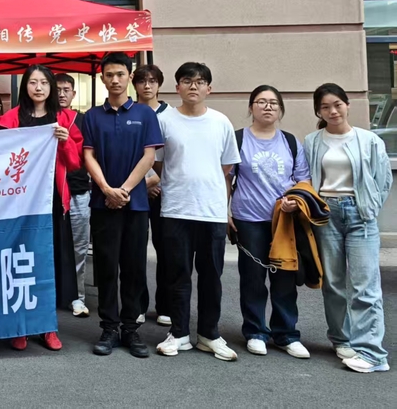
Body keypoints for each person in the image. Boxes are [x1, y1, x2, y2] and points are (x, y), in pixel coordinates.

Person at [154, 62, 240, 362]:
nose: (194, 86)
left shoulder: (221, 122)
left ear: (209, 88)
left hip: (211, 212)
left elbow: (226, 167)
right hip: (176, 209)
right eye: (187, 80)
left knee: (211, 276)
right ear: (177, 86)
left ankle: (209, 334)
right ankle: (179, 333)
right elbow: (157, 162)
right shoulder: (164, 120)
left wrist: (222, 206)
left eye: (200, 81)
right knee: (178, 274)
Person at [304, 83, 392, 373]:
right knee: (333, 283)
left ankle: (372, 354)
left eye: (337, 104)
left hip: (360, 214)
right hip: (326, 215)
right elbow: (308, 178)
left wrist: (370, 207)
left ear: (347, 105)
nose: (333, 111)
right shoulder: (312, 141)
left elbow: (383, 180)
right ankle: (342, 340)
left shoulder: (369, 140)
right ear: (318, 111)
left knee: (365, 284)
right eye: (325, 107)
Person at [0, 65, 82, 352]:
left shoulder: (65, 119)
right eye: (33, 82)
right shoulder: (9, 119)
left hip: (51, 202)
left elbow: (75, 163)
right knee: (19, 261)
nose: (39, 87)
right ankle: (19, 326)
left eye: (44, 82)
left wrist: (65, 142)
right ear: (25, 87)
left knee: (48, 262)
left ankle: (48, 327)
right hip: (17, 203)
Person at [83, 54, 163, 359]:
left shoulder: (145, 114)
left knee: (134, 267)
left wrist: (124, 190)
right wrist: (106, 189)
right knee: (105, 267)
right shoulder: (92, 116)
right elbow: (88, 156)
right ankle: (109, 327)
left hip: (136, 204)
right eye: (109, 75)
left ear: (130, 77)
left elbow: (149, 156)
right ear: (102, 79)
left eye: (120, 74)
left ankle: (131, 328)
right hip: (102, 204)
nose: (114, 80)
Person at [229, 85, 311, 359]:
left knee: (285, 279)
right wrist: (224, 213)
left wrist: (295, 201)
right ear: (251, 107)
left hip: (284, 221)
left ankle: (286, 334)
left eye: (273, 103)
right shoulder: (239, 139)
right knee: (253, 279)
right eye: (261, 102)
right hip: (248, 219)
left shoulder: (290, 142)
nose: (268, 107)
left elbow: (303, 180)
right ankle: (255, 332)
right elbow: (226, 178)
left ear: (280, 109)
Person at [133, 64, 171, 326]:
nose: (147, 86)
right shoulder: (129, 111)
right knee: (134, 249)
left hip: (164, 191)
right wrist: (142, 184)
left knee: (166, 249)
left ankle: (165, 305)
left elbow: (174, 156)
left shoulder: (171, 115)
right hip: (134, 189)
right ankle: (137, 304)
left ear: (159, 84)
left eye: (152, 81)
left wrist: (157, 181)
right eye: (142, 81)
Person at [55, 73, 91, 318]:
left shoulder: (82, 120)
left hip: (78, 191)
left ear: (73, 93)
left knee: (79, 247)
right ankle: (52, 292)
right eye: (57, 89)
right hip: (48, 194)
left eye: (66, 90)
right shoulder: (40, 118)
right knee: (50, 245)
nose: (61, 94)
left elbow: (89, 155)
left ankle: (77, 296)